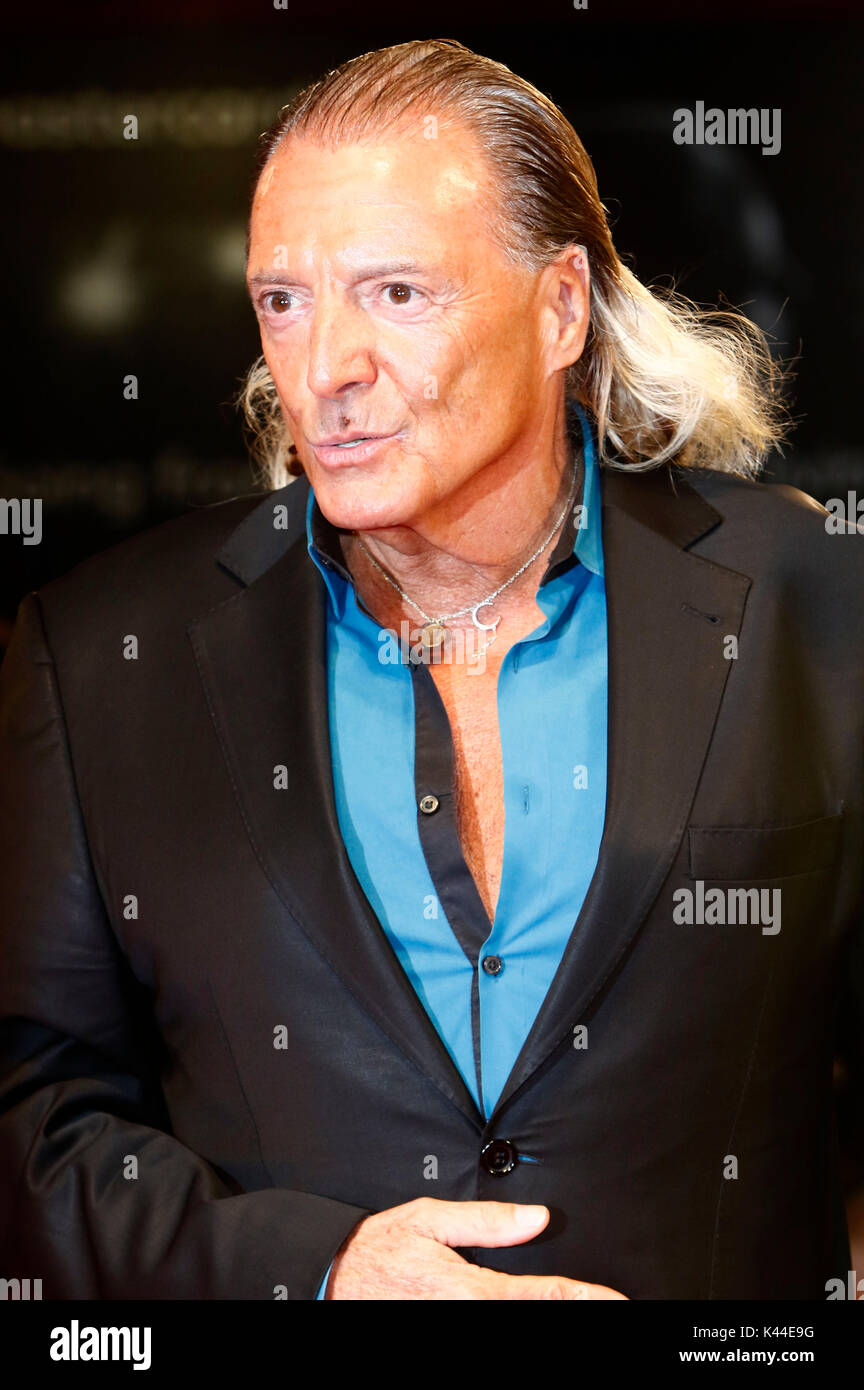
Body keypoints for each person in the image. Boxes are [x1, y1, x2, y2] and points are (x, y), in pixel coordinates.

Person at [1, 38, 862, 1301]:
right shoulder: (98, 658)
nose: (325, 367)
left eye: (396, 293)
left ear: (561, 305)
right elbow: (31, 1111)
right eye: (284, 300)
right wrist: (315, 1272)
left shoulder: (816, 600)